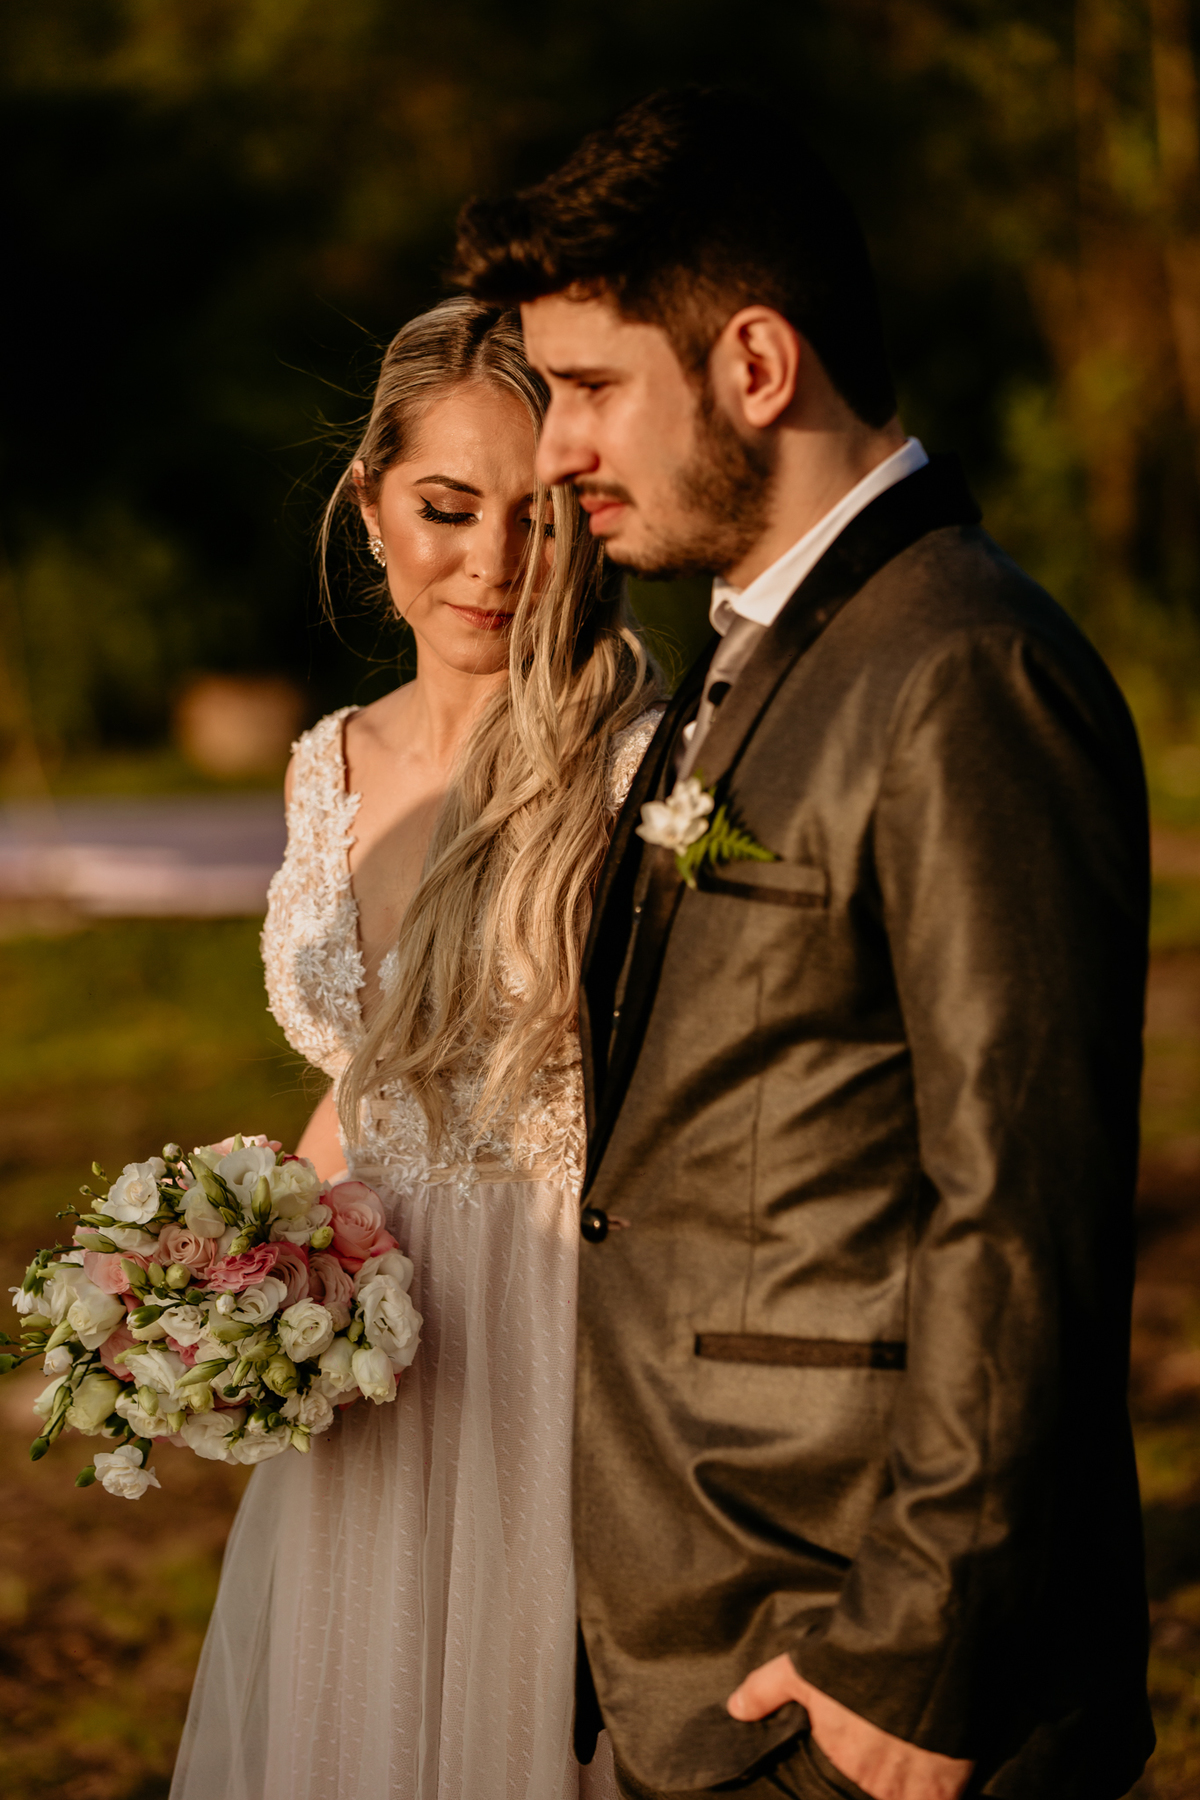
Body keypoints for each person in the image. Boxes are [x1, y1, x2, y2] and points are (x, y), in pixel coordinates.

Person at [454, 87, 1155, 1800]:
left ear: (758, 365)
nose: (553, 450)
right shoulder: (757, 652)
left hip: (857, 1665)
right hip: (697, 1634)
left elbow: (1025, 1203)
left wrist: (916, 1655)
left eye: (592, 389)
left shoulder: (962, 669)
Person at [169, 298, 660, 1800]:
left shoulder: (641, 764)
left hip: (555, 1337)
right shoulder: (331, 762)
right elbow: (371, 1084)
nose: (494, 564)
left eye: (540, 516)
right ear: (371, 500)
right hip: (369, 1357)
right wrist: (239, 1265)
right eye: (447, 508)